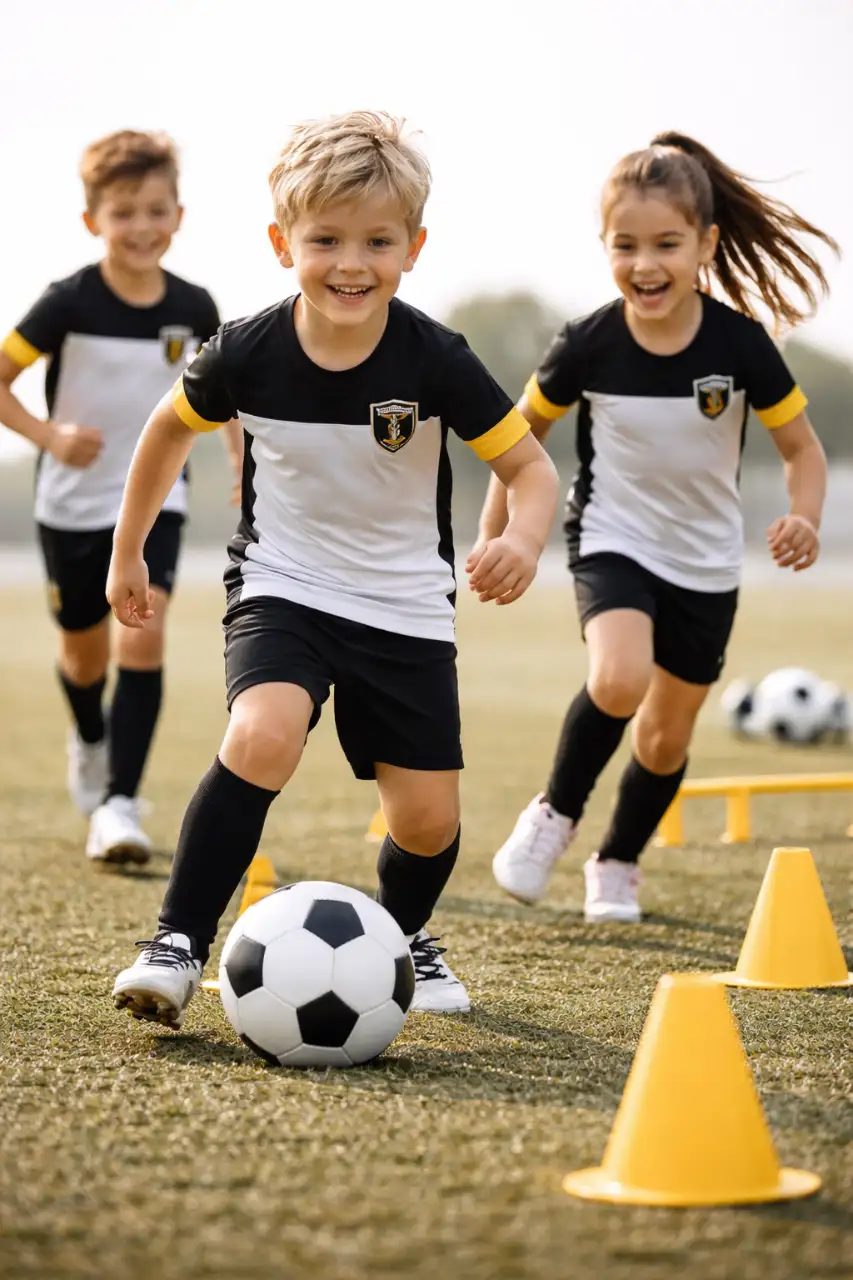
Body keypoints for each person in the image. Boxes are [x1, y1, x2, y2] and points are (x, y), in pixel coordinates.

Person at [108, 110, 559, 1026]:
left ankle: (399, 942)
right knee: (264, 733)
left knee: (427, 822)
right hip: (286, 584)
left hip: (405, 606)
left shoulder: (436, 357)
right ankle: (176, 942)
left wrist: (518, 539)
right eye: (325, 239)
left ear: (413, 248)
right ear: (283, 243)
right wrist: (128, 550)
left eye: (377, 241)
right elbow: (164, 433)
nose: (351, 262)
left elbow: (530, 468)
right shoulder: (247, 350)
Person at [486, 132, 834, 922]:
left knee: (665, 740)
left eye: (666, 244)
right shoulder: (587, 343)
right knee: (618, 678)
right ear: (604, 247)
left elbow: (800, 451)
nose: (645, 264)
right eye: (625, 245)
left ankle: (616, 863)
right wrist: (496, 533)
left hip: (706, 565)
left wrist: (804, 517)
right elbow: (515, 438)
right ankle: (551, 818)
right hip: (613, 539)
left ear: (705, 245)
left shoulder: (739, 345)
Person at [0, 130, 241, 863]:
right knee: (83, 657)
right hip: (69, 505)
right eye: (124, 212)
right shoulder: (66, 302)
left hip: (155, 502)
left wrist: (240, 465)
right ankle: (91, 736)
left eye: (156, 210)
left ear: (179, 215)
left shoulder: (196, 308)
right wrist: (48, 437)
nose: (142, 227)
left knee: (146, 630)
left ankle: (119, 805)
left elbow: (225, 397)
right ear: (93, 222)